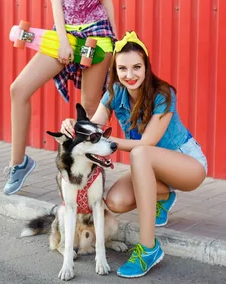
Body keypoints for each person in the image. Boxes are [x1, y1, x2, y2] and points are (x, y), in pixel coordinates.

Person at [60, 31, 208, 278]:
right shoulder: (115, 92)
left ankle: (149, 248)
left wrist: (105, 141)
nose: (130, 75)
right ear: (116, 70)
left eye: (136, 67)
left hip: (187, 165)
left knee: (140, 152)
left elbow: (148, 143)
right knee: (115, 202)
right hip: (151, 166)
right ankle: (163, 197)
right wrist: (74, 124)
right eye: (123, 68)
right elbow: (94, 124)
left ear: (146, 67)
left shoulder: (163, 95)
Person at [3, 0, 118, 195]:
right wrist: (64, 42)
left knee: (91, 110)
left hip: (98, 37)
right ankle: (19, 163)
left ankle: (88, 184)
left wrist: (116, 42)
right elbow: (56, 2)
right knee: (19, 89)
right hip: (64, 36)